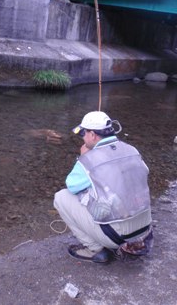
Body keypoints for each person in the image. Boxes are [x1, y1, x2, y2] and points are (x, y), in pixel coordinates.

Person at [54, 111, 153, 263]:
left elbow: (72, 186)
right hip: (144, 230)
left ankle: (95, 250)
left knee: (61, 197)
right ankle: (129, 240)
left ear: (92, 135)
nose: (82, 137)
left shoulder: (88, 159)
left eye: (83, 133)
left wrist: (83, 157)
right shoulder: (132, 150)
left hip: (117, 236)